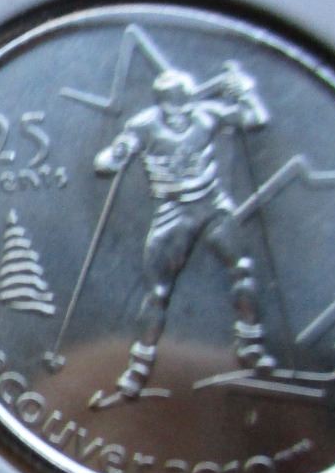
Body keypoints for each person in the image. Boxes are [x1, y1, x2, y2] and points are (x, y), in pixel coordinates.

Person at [94, 62, 274, 402]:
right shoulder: (144, 126)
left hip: (212, 204)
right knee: (158, 293)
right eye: (176, 108)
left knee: (242, 268)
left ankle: (250, 345)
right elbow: (105, 162)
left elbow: (257, 120)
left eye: (187, 106)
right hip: (173, 211)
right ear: (163, 106)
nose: (183, 115)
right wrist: (116, 154)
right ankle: (138, 368)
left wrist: (246, 92)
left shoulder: (207, 115)